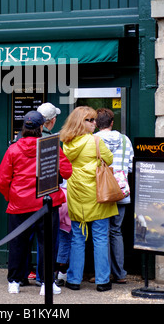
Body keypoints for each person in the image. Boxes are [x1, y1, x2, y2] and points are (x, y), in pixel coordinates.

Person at [0, 110, 72, 296]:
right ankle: (47, 283)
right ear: (41, 127)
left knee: (17, 243)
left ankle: (14, 282)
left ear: (24, 127)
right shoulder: (51, 146)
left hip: (19, 202)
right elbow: (67, 171)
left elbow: (3, 180)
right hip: (47, 202)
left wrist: (11, 197)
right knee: (47, 243)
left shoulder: (13, 149)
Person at [60, 106, 118, 292]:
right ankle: (102, 281)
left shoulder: (66, 143)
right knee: (101, 237)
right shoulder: (95, 141)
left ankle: (74, 280)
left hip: (76, 194)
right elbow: (108, 159)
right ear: (81, 122)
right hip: (97, 193)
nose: (94, 123)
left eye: (94, 120)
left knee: (77, 237)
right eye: (90, 120)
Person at [96, 108, 134, 284]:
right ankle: (120, 274)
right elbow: (131, 166)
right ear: (112, 123)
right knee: (116, 231)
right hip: (120, 191)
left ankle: (102, 273)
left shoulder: (93, 140)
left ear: (96, 123)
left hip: (100, 192)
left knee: (100, 232)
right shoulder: (125, 140)